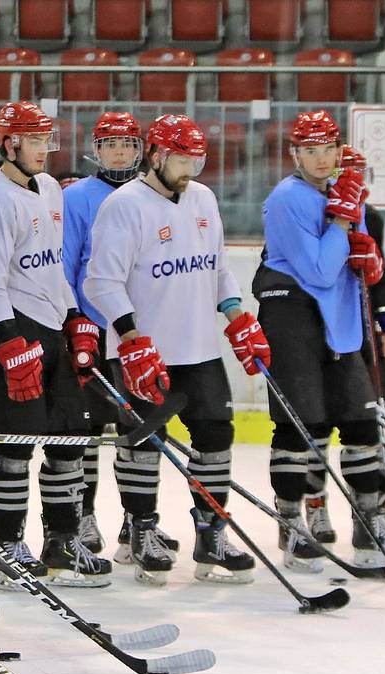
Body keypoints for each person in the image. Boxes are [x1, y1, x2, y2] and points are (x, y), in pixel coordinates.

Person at [85, 112, 265, 585]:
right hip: (146, 353)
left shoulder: (203, 198)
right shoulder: (124, 206)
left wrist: (237, 316)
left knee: (216, 438)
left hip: (201, 349)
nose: (191, 168)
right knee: (144, 443)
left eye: (197, 159)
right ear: (158, 155)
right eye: (183, 158)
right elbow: (102, 282)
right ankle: (142, 531)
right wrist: (131, 340)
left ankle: (212, 534)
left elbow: (219, 267)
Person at [0, 100, 112, 589]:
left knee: (70, 439)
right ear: (9, 143)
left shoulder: (50, 189)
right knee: (15, 445)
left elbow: (51, 265)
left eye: (49, 139)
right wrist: (8, 343)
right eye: (36, 140)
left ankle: (62, 541)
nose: (46, 150)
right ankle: (6, 546)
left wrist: (74, 319)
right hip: (6, 327)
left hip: (50, 326)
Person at [254, 109, 385, 571]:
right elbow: (319, 269)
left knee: (362, 426)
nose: (322, 160)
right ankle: (293, 526)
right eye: (311, 151)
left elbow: (352, 264)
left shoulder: (348, 195)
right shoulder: (287, 199)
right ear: (295, 154)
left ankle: (371, 527)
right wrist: (343, 228)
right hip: (291, 316)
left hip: (339, 319)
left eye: (329, 150)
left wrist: (369, 260)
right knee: (301, 427)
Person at [301, 142, 385, 560]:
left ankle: (374, 511)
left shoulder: (372, 216)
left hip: (363, 335)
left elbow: (380, 282)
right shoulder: (307, 212)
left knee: (382, 422)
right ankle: (315, 504)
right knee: (318, 425)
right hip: (323, 336)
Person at [62, 111, 155, 557]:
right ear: (96, 150)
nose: (120, 152)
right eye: (111, 144)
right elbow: (66, 261)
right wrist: (72, 318)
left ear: (140, 149)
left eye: (127, 143)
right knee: (89, 427)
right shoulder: (78, 196)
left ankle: (136, 524)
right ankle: (83, 515)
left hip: (138, 329)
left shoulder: (151, 195)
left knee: (135, 427)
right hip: (93, 328)